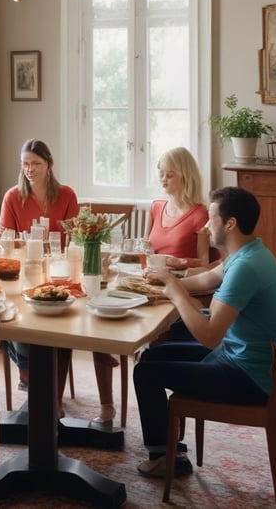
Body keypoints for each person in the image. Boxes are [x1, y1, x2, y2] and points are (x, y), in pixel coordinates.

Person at [132, 186, 276, 478]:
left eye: (211, 217)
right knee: (151, 355)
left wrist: (175, 291)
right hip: (241, 356)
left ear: (230, 224)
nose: (205, 226)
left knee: (145, 373)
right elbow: (207, 279)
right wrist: (165, 281)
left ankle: (168, 459)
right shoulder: (249, 252)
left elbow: (209, 336)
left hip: (246, 377)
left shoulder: (246, 267)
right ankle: (170, 447)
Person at [91, 147, 211, 424]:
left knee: (140, 330)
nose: (163, 179)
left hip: (176, 287)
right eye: (161, 173)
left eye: (170, 174)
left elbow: (205, 262)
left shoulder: (199, 213)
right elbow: (144, 250)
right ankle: (107, 400)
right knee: (99, 314)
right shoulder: (157, 207)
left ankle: (137, 356)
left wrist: (176, 262)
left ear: (185, 176)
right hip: (149, 282)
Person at [0, 138, 79, 392]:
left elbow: (74, 239)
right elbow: (6, 242)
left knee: (57, 321)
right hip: (25, 271)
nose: (30, 169)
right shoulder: (13, 197)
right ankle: (28, 374)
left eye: (36, 163)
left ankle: (43, 381)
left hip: (59, 273)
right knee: (13, 315)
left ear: (48, 164)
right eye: (25, 164)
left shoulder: (66, 195)